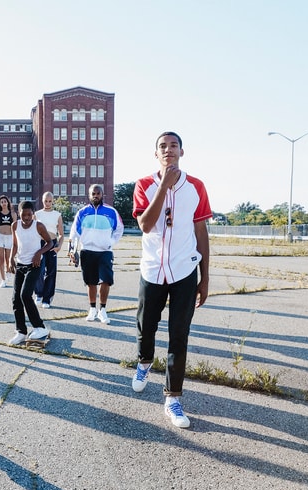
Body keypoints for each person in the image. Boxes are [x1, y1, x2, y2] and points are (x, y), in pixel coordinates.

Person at [130, 131, 212, 429]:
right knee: (146, 327)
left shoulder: (196, 187)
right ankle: (143, 362)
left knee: (179, 335)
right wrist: (163, 185)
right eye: (162, 146)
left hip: (184, 271)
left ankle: (173, 398)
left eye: (173, 145)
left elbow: (201, 232)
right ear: (156, 154)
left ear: (181, 151)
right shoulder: (145, 184)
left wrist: (204, 278)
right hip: (152, 270)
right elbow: (146, 225)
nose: (168, 150)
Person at [68, 184, 124, 324]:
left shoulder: (111, 211)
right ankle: (92, 309)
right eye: (93, 193)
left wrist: (110, 242)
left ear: (102, 194)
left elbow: (119, 229)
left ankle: (103, 310)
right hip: (87, 251)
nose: (96, 195)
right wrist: (72, 249)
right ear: (89, 195)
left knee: (106, 280)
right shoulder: (82, 212)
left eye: (98, 193)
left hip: (105, 251)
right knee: (90, 282)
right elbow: (74, 232)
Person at [8, 201, 53, 344]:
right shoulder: (14, 225)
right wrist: (10, 259)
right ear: (19, 213)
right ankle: (21, 331)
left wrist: (39, 253)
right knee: (16, 299)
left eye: (29, 214)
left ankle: (40, 327)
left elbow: (50, 243)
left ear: (33, 214)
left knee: (25, 295)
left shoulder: (38, 226)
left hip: (34, 265)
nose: (26, 217)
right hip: (20, 264)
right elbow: (15, 244)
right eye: (23, 214)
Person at [33, 191, 64, 308]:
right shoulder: (37, 214)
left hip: (52, 244)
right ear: (42, 201)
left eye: (50, 201)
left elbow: (61, 234)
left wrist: (59, 246)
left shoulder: (57, 215)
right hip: (40, 244)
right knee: (39, 270)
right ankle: (39, 294)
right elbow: (32, 231)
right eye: (46, 201)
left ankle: (47, 299)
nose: (48, 203)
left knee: (51, 272)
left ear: (53, 201)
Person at [0, 195, 16, 288]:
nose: (3, 203)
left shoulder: (13, 214)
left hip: (10, 237)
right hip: (0, 237)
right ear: (0, 204)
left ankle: (8, 271)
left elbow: (15, 228)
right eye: (1, 202)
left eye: (5, 201)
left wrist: (16, 241)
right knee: (1, 259)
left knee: (8, 259)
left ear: (8, 203)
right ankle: (3, 280)